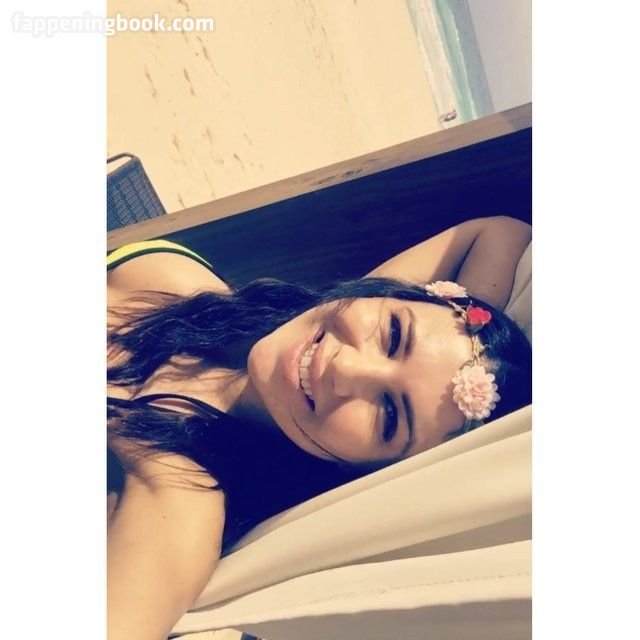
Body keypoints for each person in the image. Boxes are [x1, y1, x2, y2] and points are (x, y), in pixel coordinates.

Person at [107, 215, 532, 640]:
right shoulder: (285, 321)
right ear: (386, 292)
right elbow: (501, 231)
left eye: (388, 415)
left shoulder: (180, 492)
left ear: (362, 471)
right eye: (393, 335)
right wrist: (478, 343)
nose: (346, 368)